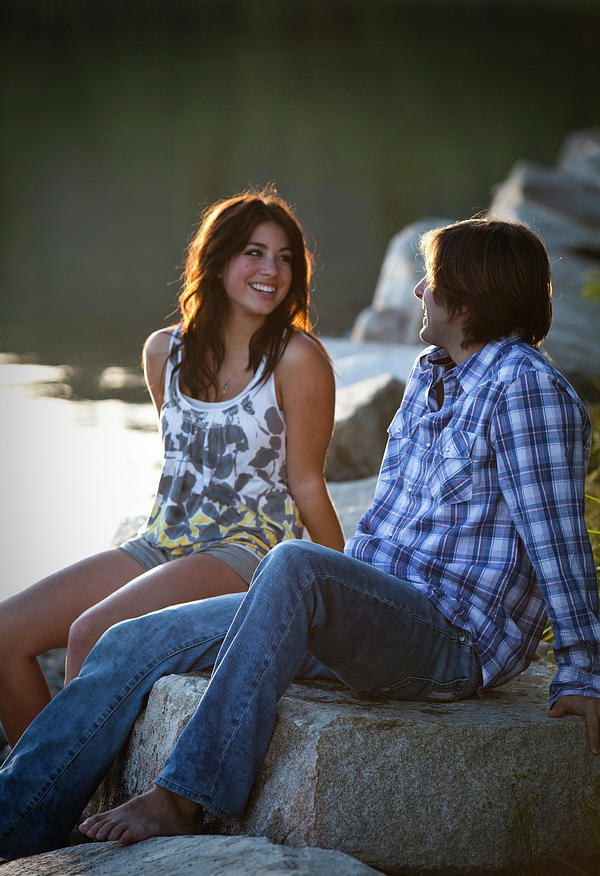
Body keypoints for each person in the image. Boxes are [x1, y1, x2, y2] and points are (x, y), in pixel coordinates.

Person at [1, 218, 598, 862]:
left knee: (294, 563)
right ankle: (17, 824)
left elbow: (559, 543)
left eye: (433, 280)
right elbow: (385, 523)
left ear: (469, 298)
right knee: (130, 638)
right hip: (383, 616)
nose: (419, 291)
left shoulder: (527, 390)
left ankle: (185, 795)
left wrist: (585, 670)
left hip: (451, 642)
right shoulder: (433, 376)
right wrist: (342, 600)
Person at [0, 189, 344, 748]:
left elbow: (307, 482)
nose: (271, 270)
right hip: (163, 540)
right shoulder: (164, 352)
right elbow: (186, 463)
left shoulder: (297, 359)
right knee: (5, 634)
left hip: (247, 549)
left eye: (285, 258)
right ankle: (39, 790)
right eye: (254, 253)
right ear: (218, 259)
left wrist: (336, 595)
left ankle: (51, 799)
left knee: (92, 633)